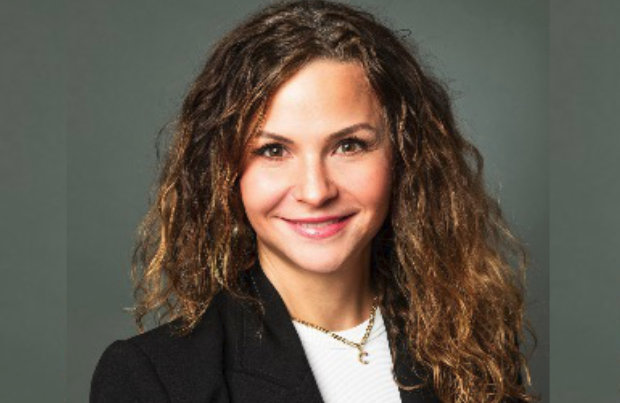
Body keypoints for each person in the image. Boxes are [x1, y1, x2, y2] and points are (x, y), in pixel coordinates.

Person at [90, 1, 536, 402]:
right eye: (273, 150)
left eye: (349, 145)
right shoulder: (152, 381)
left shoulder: (476, 348)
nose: (316, 191)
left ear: (404, 155)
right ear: (224, 172)